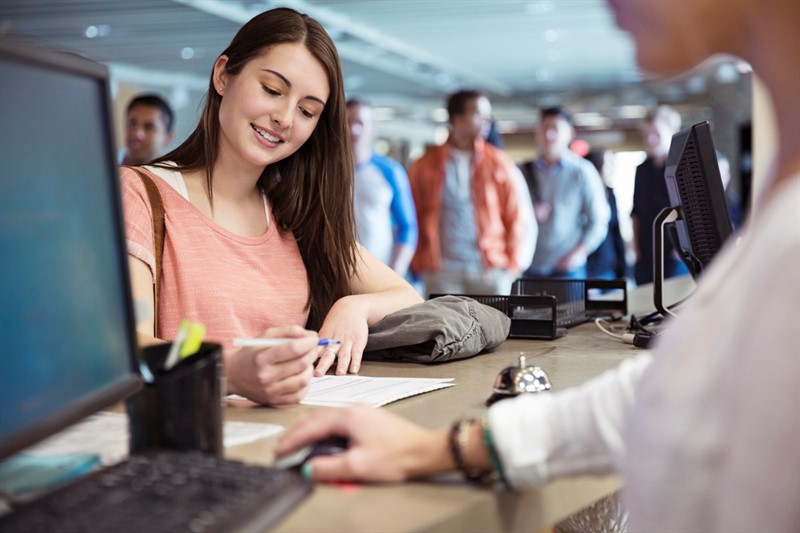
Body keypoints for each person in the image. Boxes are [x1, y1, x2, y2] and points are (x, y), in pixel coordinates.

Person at [277, 0, 800, 530]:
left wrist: (509, 259)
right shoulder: (782, 206)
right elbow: (676, 391)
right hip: (446, 271)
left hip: (491, 268)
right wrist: (449, 447)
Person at [120, 8, 423, 407]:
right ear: (223, 75)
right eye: (272, 90)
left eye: (307, 111)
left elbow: (406, 296)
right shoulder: (141, 194)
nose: (283, 118)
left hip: (290, 442)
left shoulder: (292, 215)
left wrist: (356, 306)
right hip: (189, 445)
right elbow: (127, 348)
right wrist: (230, 370)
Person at [407, 89, 534, 296]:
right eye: (477, 113)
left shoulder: (499, 162)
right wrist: (419, 262)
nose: (486, 121)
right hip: (441, 272)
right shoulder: (424, 164)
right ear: (456, 118)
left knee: (495, 328)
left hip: (489, 270)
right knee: (445, 328)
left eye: (487, 115)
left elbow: (518, 216)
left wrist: (514, 265)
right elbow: (413, 216)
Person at [519, 106, 610, 279]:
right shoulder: (523, 171)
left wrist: (579, 253)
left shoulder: (582, 172)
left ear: (569, 134)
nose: (549, 135)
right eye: (544, 129)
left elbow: (599, 219)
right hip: (530, 267)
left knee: (570, 307)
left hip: (567, 269)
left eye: (555, 129)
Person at [345, 98, 417, 277]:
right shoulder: (326, 171)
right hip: (337, 272)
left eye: (360, 122)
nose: (354, 129)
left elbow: (407, 227)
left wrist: (396, 272)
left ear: (371, 127)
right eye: (347, 122)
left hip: (379, 271)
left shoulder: (390, 171)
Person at [630, 104, 690, 285]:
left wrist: (682, 246)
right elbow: (636, 212)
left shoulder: (684, 168)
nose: (650, 139)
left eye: (656, 134)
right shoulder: (642, 169)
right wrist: (636, 247)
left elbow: (691, 211)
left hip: (675, 254)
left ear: (673, 132)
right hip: (646, 255)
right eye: (647, 134)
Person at [584, 149, 627, 280]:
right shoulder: (582, 196)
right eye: (608, 164)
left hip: (610, 269)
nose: (612, 168)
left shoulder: (610, 194)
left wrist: (624, 271)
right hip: (589, 271)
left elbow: (616, 233)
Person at [120, 93, 175, 166]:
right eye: (132, 123)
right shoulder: (104, 167)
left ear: (167, 139)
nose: (137, 134)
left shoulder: (170, 176)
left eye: (149, 127)